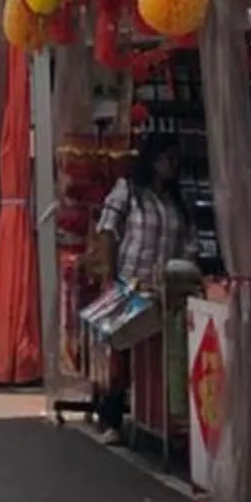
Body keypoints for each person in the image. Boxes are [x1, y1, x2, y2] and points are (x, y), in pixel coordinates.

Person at [87, 134, 186, 440]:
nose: (172, 165)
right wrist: (109, 274)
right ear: (153, 160)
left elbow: (187, 242)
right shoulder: (128, 191)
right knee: (120, 350)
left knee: (160, 354)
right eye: (167, 158)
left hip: (163, 289)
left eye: (175, 159)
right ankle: (111, 417)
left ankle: (157, 417)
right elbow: (107, 228)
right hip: (129, 282)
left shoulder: (175, 201)